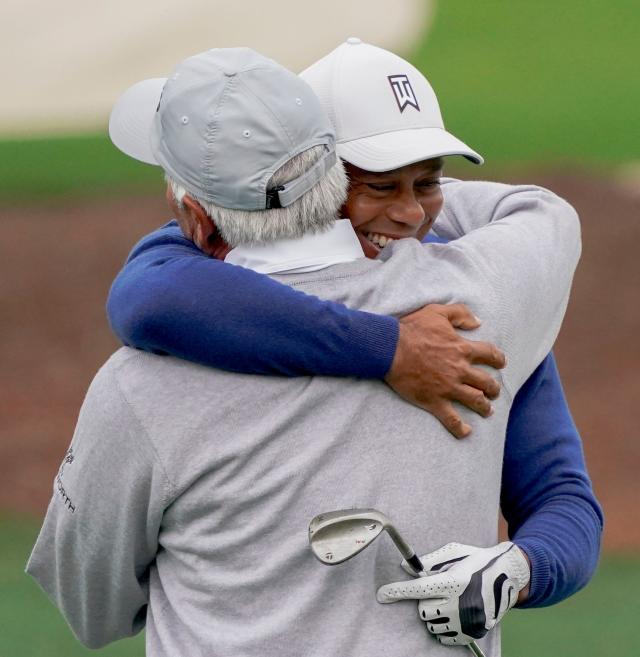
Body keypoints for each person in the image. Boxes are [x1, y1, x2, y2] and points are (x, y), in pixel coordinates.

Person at [26, 47, 588, 657]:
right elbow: (542, 214)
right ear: (328, 178)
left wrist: (524, 567)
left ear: (190, 211)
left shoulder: (137, 384)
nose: (409, 213)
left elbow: (91, 609)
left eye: (425, 183)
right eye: (381, 184)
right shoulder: (488, 304)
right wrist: (387, 346)